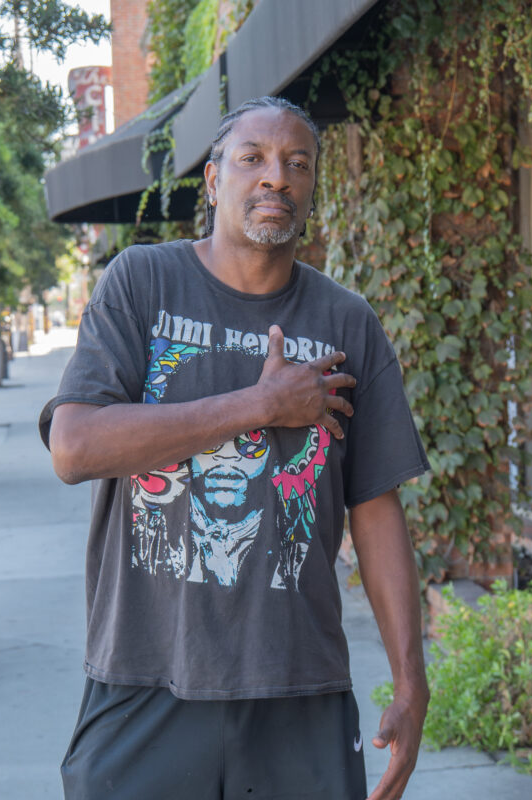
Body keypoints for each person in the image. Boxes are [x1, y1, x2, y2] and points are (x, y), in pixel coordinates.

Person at [42, 95, 429, 800]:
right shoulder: (142, 284)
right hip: (144, 677)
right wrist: (263, 406)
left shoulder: (348, 322)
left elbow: (375, 508)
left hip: (297, 687)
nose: (276, 177)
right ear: (214, 180)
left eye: (297, 163)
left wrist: (411, 680)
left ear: (311, 188)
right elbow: (74, 447)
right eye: (253, 158)